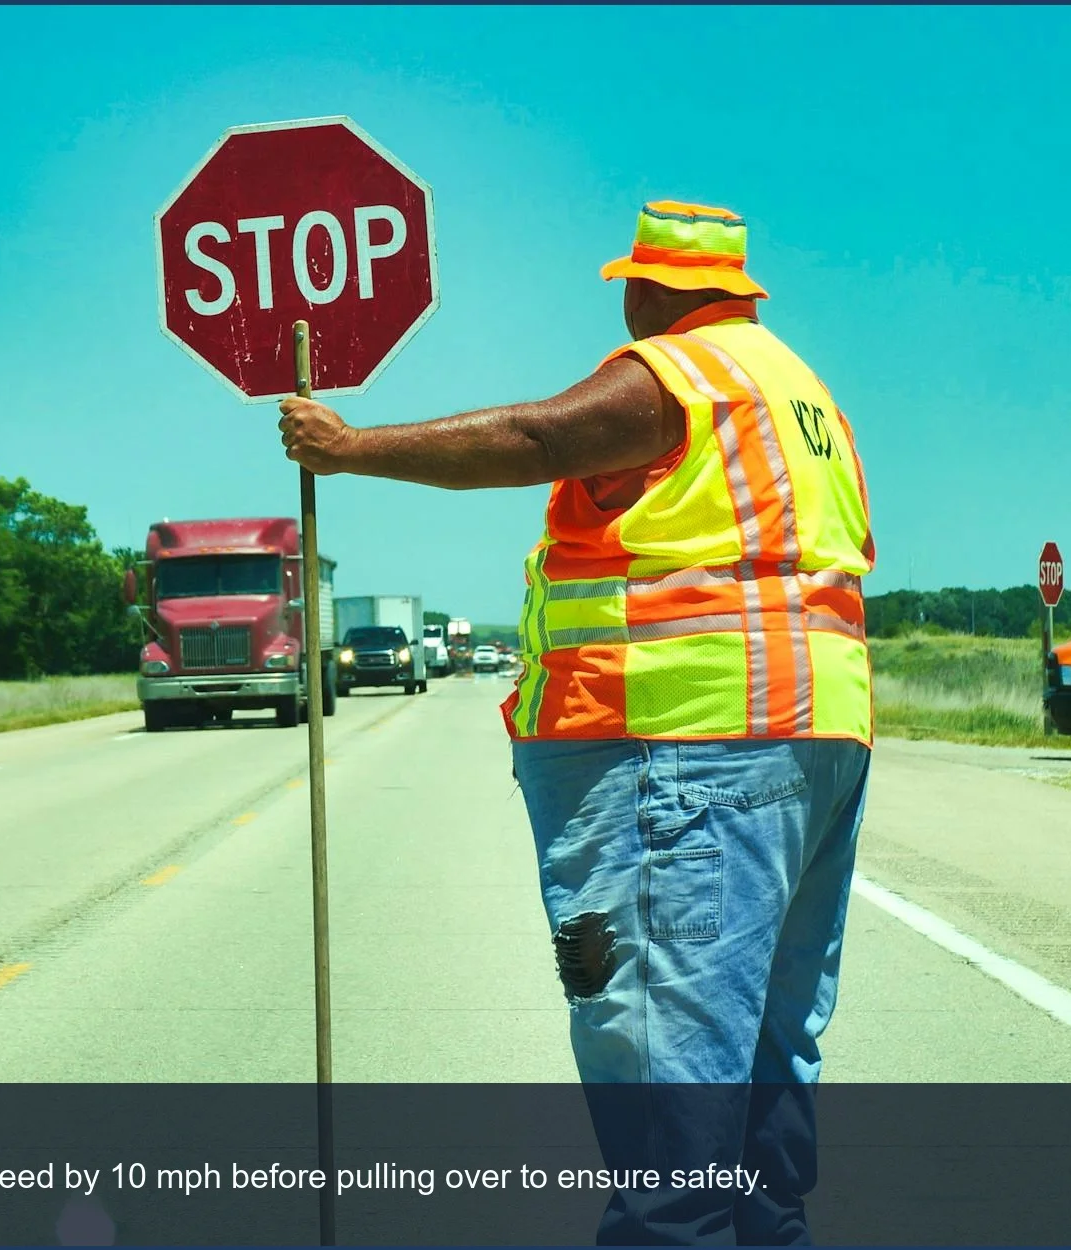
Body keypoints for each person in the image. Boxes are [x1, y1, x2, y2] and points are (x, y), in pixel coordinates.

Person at [278, 200, 875, 1245]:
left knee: (669, 1097)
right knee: (763, 1078)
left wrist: (346, 445)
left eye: (630, 290)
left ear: (651, 289)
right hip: (810, 737)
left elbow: (530, 435)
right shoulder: (798, 389)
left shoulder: (677, 372)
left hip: (688, 749)